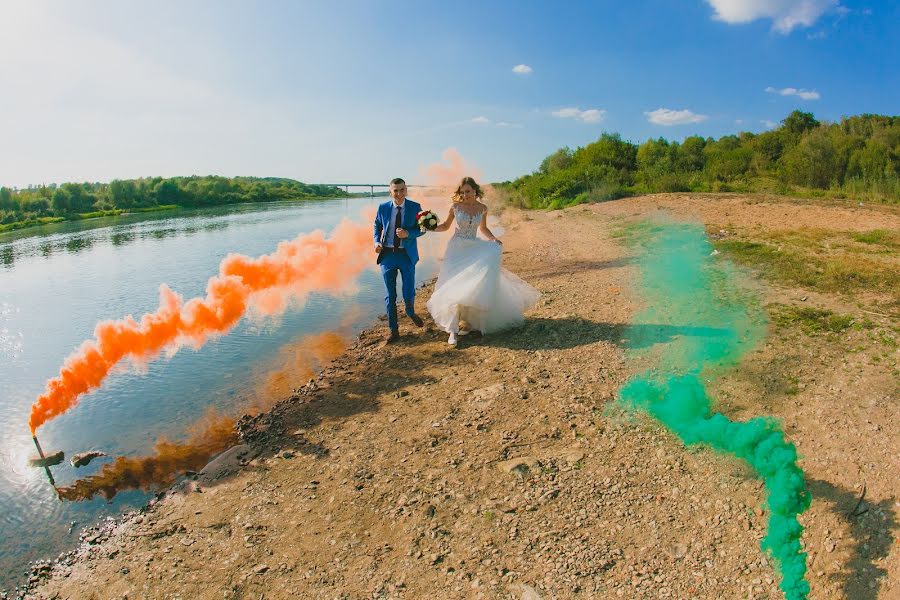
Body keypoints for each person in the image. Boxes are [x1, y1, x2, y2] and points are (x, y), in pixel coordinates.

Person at [427, 176, 540, 346]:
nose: (465, 195)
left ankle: (471, 323)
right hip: (456, 250)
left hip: (473, 247)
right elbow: (445, 226)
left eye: (468, 191)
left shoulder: (483, 208)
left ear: (475, 191)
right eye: (463, 192)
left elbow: (483, 228)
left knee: (473, 285)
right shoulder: (455, 207)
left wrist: (494, 239)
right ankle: (452, 331)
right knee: (452, 286)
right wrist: (430, 227)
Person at [374, 177, 426, 344]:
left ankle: (410, 312)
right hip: (387, 255)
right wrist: (376, 241)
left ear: (406, 190)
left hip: (407, 255)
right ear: (390, 191)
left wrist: (408, 234)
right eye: (395, 190)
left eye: (401, 190)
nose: (398, 193)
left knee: (408, 289)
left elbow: (423, 229)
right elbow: (377, 225)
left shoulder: (415, 207)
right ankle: (393, 330)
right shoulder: (382, 208)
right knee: (390, 294)